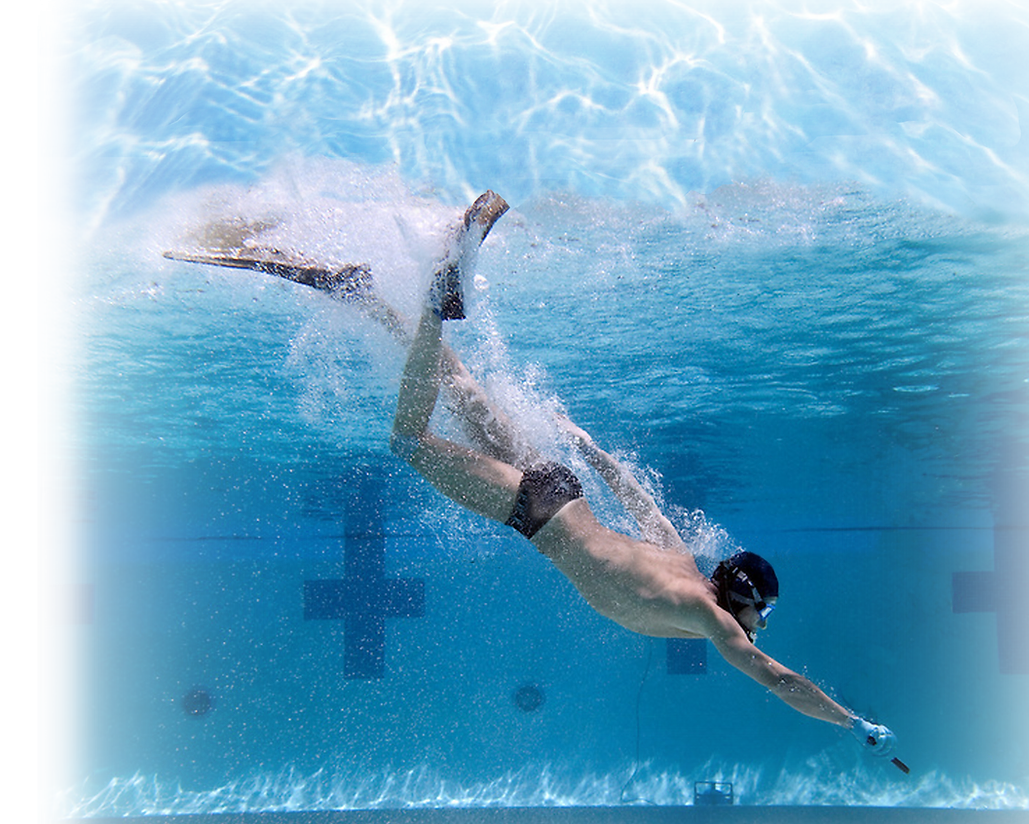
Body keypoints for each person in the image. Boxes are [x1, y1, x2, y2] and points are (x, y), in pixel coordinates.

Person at [165, 191, 900, 761]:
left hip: (559, 485)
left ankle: (357, 290)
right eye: (759, 614)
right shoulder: (707, 616)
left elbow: (636, 496)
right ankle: (433, 303)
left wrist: (589, 446)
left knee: (450, 380)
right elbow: (776, 679)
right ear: (740, 600)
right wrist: (852, 720)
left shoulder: (680, 558)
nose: (756, 628)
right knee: (409, 440)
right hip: (538, 512)